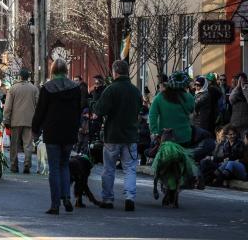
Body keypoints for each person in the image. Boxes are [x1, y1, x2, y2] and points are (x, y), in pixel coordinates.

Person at [31, 59, 82, 215]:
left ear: (52, 71)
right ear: (66, 70)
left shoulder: (47, 88)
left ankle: (55, 204)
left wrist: (35, 129)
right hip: (69, 132)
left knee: (54, 168)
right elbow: (78, 110)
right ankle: (66, 197)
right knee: (64, 165)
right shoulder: (75, 88)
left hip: (52, 131)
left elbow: (40, 111)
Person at [93, 60, 141, 212]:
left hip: (112, 135)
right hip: (130, 136)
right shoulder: (135, 91)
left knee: (109, 169)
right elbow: (139, 109)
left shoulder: (111, 90)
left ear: (115, 72)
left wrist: (94, 102)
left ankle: (107, 198)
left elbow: (100, 110)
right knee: (130, 168)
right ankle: (130, 197)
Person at [3, 69, 39, 174]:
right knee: (28, 144)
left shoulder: (13, 88)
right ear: (28, 77)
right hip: (30, 120)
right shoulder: (34, 89)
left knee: (14, 144)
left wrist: (6, 119)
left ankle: (14, 165)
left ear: (19, 77)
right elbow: (38, 105)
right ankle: (27, 164)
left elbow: (8, 106)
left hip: (15, 121)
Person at [149, 71, 194, 146]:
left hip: (166, 136)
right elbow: (192, 111)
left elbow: (152, 115)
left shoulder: (160, 97)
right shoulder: (189, 97)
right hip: (185, 136)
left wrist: (155, 132)